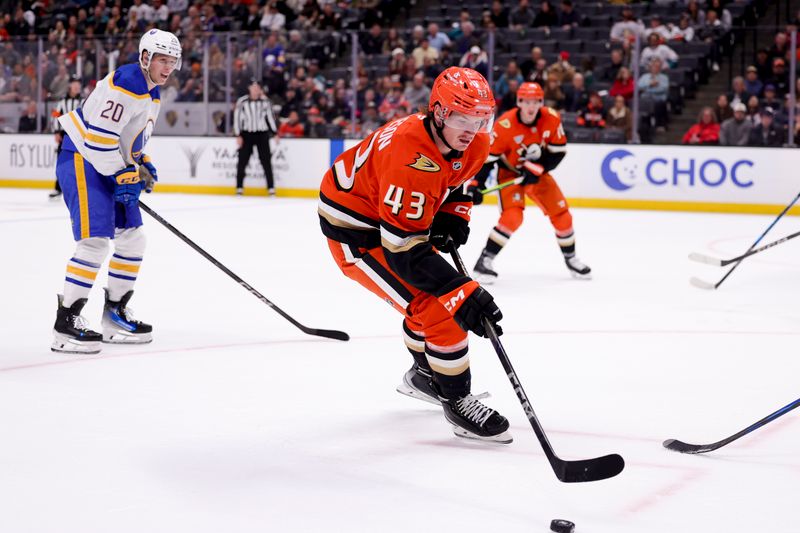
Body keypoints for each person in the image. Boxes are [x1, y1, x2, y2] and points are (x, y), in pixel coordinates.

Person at [318, 67, 510, 444]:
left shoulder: (472, 142)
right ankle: (456, 402)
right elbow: (404, 251)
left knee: (435, 301)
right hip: (355, 232)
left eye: (480, 118)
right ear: (438, 112)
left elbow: (456, 180)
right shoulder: (409, 156)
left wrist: (453, 213)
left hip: (392, 216)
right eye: (461, 117)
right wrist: (462, 290)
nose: (471, 128)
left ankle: (425, 375)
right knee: (440, 304)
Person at [51, 29, 182, 354]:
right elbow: (98, 139)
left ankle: (114, 315)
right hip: (83, 159)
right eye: (162, 60)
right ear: (146, 57)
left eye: (172, 61)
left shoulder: (151, 91)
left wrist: (141, 163)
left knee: (133, 238)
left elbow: (126, 138)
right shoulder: (127, 83)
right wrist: (123, 174)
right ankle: (65, 324)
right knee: (95, 241)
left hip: (108, 165)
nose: (167, 67)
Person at [470, 82, 591, 282]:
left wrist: (540, 168)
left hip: (537, 173)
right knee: (512, 217)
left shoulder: (551, 118)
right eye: (526, 102)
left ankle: (571, 259)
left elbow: (558, 152)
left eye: (535, 102)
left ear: (541, 102)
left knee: (563, 217)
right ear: (519, 102)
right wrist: (477, 184)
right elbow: (488, 160)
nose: (531, 107)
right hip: (510, 175)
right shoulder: (505, 124)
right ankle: (484, 261)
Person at [233, 79, 279, 196]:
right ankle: (239, 187)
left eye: (257, 88)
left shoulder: (265, 102)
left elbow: (270, 118)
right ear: (249, 88)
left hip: (262, 134)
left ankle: (271, 188)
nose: (255, 90)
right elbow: (237, 119)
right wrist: (238, 135)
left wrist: (275, 133)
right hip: (247, 134)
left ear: (260, 90)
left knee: (266, 161)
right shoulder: (242, 101)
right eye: (253, 87)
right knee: (242, 161)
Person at [49, 75, 83, 199]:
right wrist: (56, 131)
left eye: (78, 84)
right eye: (74, 83)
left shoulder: (83, 101)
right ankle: (58, 188)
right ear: (70, 85)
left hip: (79, 136)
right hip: (65, 136)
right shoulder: (62, 102)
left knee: (79, 163)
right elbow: (55, 116)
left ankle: (80, 189)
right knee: (62, 163)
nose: (77, 86)